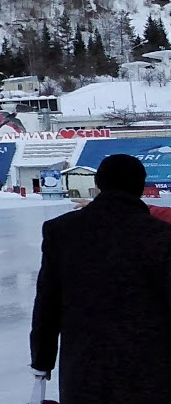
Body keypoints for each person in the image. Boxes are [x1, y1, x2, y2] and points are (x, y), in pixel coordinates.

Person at [30, 154, 171, 403]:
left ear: (98, 184)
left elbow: (47, 303)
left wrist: (42, 360)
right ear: (141, 186)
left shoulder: (61, 231)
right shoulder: (161, 235)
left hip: (84, 367)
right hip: (151, 369)